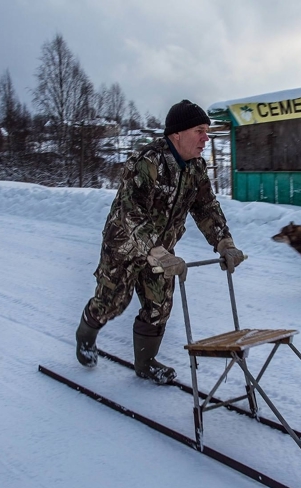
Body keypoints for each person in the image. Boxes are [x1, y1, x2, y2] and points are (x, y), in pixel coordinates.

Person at [74, 99, 245, 385]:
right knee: (111, 303)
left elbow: (205, 207)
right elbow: (131, 213)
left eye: (207, 131)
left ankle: (145, 363)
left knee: (159, 305)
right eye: (200, 130)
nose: (206, 137)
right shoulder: (148, 162)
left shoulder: (195, 168)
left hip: (161, 250)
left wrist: (224, 243)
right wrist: (157, 252)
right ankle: (85, 336)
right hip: (125, 246)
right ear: (177, 134)